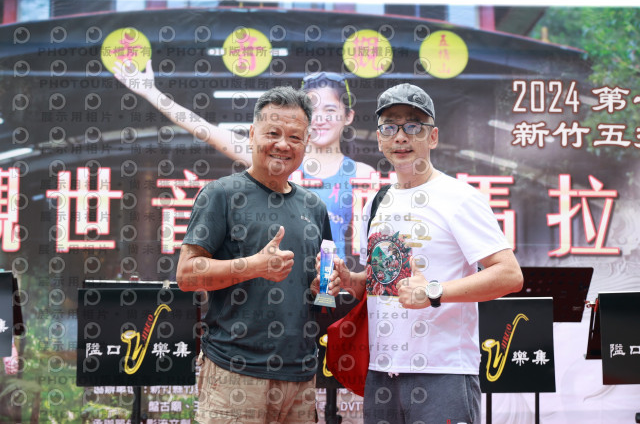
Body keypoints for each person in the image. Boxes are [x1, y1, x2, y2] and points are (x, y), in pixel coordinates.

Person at [336, 83, 524, 424]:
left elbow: (509, 275)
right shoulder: (377, 202)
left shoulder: (459, 197)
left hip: (443, 373)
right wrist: (353, 280)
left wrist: (434, 291)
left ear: (432, 136)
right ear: (379, 139)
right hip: (381, 372)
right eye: (390, 127)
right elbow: (380, 283)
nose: (400, 137)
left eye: (413, 126)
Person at [176, 86, 341, 423]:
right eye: (273, 133)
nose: (283, 144)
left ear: (306, 143)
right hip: (234, 372)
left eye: (294, 137)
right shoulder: (221, 194)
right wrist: (253, 266)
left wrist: (323, 288)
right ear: (252, 134)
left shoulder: (314, 207)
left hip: (300, 376)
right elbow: (186, 275)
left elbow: (319, 290)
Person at [114, 62, 375, 258]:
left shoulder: (363, 175)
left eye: (330, 110)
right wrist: (151, 93)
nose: (321, 119)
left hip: (333, 289)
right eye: (313, 110)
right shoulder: (278, 160)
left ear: (348, 116)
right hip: (278, 280)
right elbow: (205, 129)